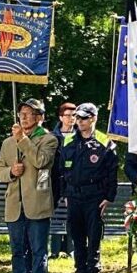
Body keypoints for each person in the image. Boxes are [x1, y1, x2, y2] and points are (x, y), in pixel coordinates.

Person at [0, 98, 59, 273]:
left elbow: (41, 161)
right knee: (17, 248)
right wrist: (10, 172)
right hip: (15, 204)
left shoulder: (48, 139)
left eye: (29, 113)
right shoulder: (7, 143)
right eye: (21, 113)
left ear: (39, 117)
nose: (23, 116)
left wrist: (23, 140)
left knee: (38, 248)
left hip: (37, 203)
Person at [56, 103, 118, 273]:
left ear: (93, 118)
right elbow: (62, 170)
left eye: (84, 117)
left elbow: (112, 172)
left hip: (95, 197)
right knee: (77, 236)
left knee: (93, 236)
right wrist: (65, 193)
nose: (79, 121)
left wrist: (109, 196)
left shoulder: (104, 142)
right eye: (78, 117)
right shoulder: (68, 141)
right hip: (74, 196)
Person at [49, 101, 78, 260]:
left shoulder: (79, 136)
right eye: (68, 115)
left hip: (72, 181)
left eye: (74, 115)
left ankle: (70, 248)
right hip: (54, 180)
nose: (71, 119)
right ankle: (54, 249)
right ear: (61, 117)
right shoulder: (53, 136)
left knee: (71, 215)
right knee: (52, 214)